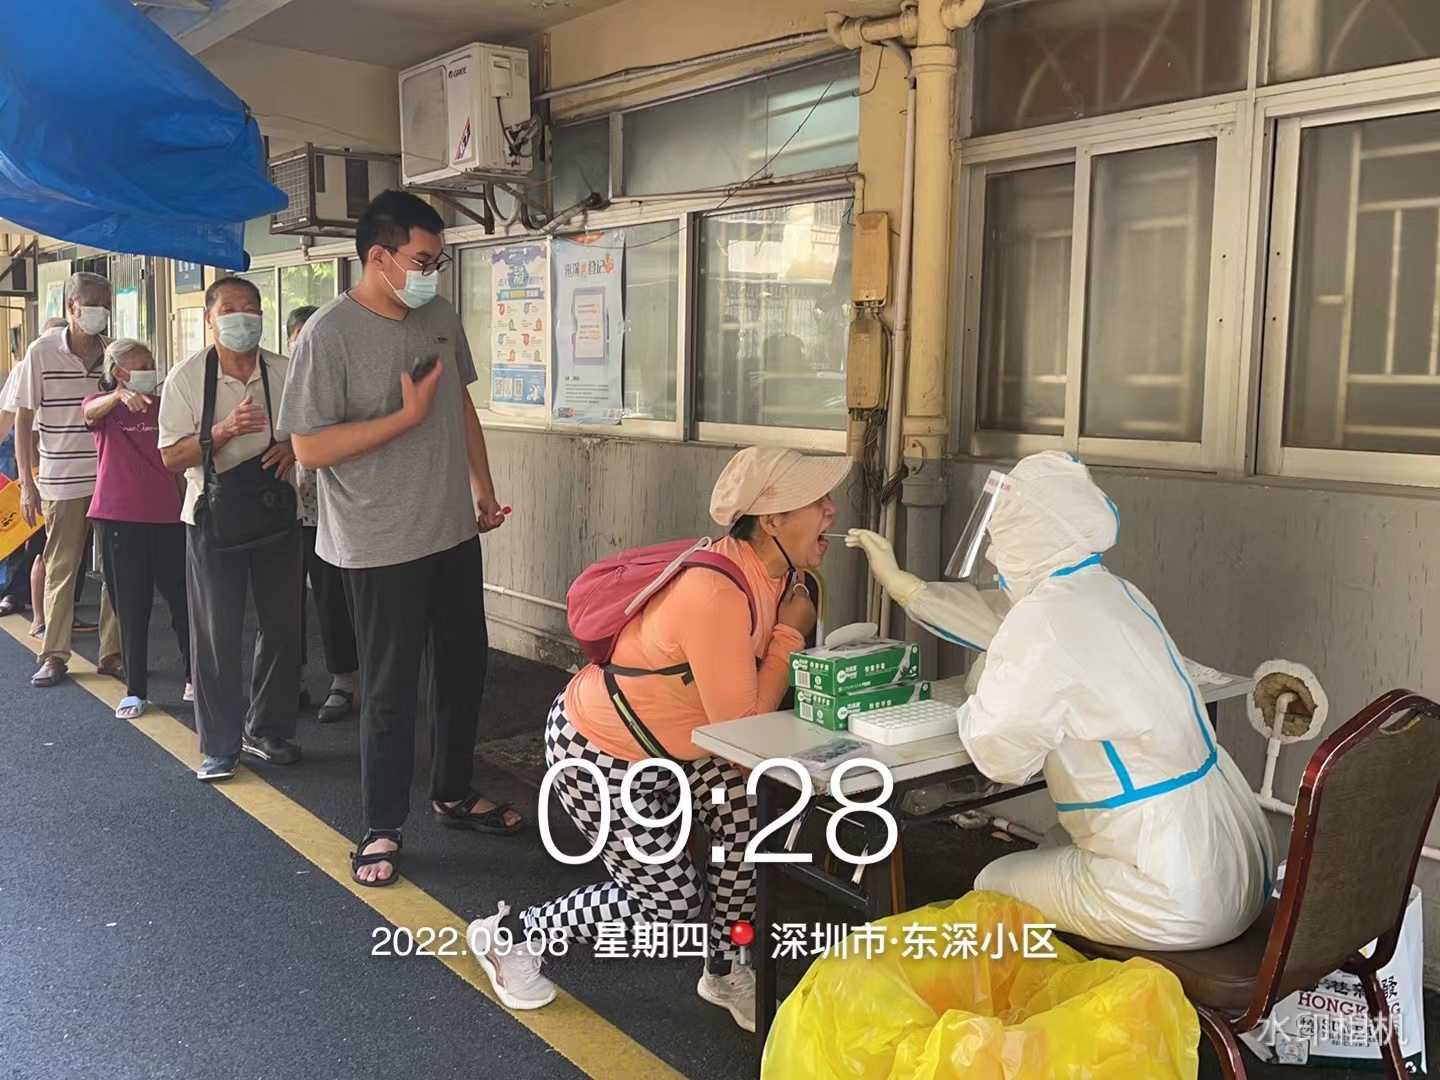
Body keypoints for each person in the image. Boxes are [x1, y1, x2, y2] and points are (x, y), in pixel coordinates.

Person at [469, 446, 851, 1025]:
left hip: (691, 743)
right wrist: (790, 636)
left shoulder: (785, 577)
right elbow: (743, 730)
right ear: (772, 520)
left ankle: (724, 970)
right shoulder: (718, 592)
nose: (831, 509)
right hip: (599, 751)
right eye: (816, 500)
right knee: (670, 907)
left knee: (746, 830)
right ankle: (512, 935)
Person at [850, 451, 1276, 951]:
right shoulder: (1116, 592)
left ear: (1024, 539)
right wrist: (904, 586)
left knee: (992, 882)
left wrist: (980, 689)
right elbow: (1025, 632)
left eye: (1003, 534)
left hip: (1169, 888)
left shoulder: (1044, 619)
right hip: (1234, 852)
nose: (995, 553)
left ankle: (1045, 999)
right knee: (1052, 845)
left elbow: (999, 756)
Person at [281, 190, 516, 888]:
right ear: (378, 257)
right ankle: (382, 824)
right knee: (388, 690)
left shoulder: (438, 316)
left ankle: (453, 791)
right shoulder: (328, 334)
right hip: (378, 542)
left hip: (450, 530)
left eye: (438, 261)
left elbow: (459, 402)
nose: (432, 273)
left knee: (463, 669)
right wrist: (403, 419)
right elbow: (310, 448)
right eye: (422, 260)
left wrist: (482, 486)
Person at [158, 276, 301, 783]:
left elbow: (316, 429)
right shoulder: (187, 378)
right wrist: (222, 431)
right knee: (216, 633)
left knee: (283, 625)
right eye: (230, 309)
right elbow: (171, 457)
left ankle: (268, 728)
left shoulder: (284, 370)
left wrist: (294, 447)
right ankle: (220, 744)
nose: (242, 318)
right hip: (213, 521)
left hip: (277, 515)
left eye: (251, 308)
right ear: (209, 319)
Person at [14, 276, 122, 686]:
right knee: (62, 567)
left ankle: (112, 654)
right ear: (71, 305)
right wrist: (27, 483)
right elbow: (24, 418)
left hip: (111, 478)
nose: (99, 310)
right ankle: (54, 655)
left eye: (105, 303)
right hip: (61, 478)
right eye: (91, 302)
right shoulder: (41, 352)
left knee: (115, 570)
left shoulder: (113, 352)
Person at [84, 339, 192, 719]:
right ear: (118, 372)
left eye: (151, 363)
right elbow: (88, 412)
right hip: (119, 519)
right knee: (131, 607)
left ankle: (194, 677)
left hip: (168, 517)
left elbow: (179, 461)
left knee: (183, 600)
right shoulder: (103, 408)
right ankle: (136, 690)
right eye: (141, 365)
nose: (150, 370)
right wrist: (117, 397)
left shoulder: (165, 406)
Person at [287, 305, 358, 723]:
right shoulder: (278, 381)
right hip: (284, 512)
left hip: (327, 513)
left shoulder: (337, 383)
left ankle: (342, 680)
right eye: (300, 343)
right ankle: (291, 678)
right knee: (284, 603)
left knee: (333, 600)